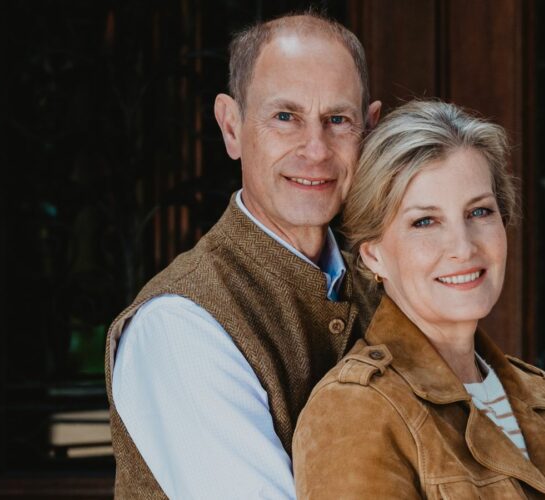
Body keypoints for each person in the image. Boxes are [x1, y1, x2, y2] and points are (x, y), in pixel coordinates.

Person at [104, 12, 381, 499]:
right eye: (285, 117)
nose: (315, 149)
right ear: (231, 127)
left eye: (338, 120)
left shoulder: (385, 285)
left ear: (370, 131)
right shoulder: (179, 323)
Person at [293, 101, 545, 499]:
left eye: (479, 212)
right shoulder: (354, 410)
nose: (463, 247)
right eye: (425, 221)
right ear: (374, 254)